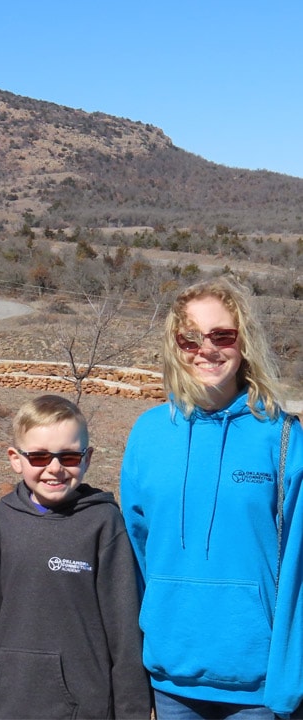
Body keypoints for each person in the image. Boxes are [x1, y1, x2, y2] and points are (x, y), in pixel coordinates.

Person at [120, 277, 303, 719]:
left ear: (244, 344)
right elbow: (136, 553)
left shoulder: (281, 436)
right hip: (170, 679)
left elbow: (298, 566)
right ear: (175, 345)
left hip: (258, 686)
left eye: (223, 335)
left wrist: (290, 682)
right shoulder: (148, 434)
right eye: (191, 339)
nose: (208, 349)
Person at [0, 393, 151, 719]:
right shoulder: (5, 519)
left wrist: (130, 712)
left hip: (85, 706)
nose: (54, 468)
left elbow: (124, 636)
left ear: (87, 457)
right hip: (9, 704)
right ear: (15, 458)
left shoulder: (104, 522)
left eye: (68, 457)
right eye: (38, 457)